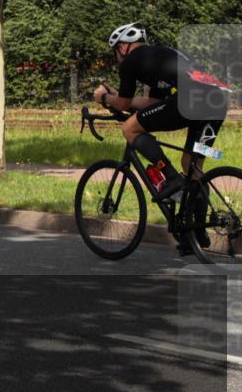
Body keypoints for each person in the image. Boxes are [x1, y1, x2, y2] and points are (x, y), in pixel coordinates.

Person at [94, 23, 229, 250]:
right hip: (217, 99)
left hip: (191, 100)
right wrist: (119, 98)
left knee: (129, 129)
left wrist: (106, 98)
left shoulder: (130, 61)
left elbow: (125, 103)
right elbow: (154, 104)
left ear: (124, 47)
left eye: (115, 50)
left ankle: (170, 178)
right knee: (191, 165)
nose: (117, 56)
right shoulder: (159, 57)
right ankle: (195, 234)